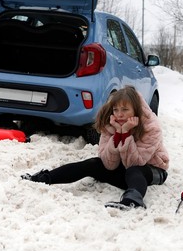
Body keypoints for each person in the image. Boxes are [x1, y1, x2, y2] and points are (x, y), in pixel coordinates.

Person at [21, 86, 169, 210]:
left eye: (125, 109)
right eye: (116, 110)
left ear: (136, 110)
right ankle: (45, 178)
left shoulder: (151, 127)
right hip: (123, 169)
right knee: (94, 163)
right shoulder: (110, 124)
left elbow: (134, 163)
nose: (119, 114)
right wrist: (118, 133)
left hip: (150, 170)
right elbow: (108, 164)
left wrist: (126, 134)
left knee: (134, 170)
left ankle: (133, 201)